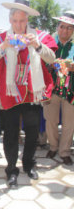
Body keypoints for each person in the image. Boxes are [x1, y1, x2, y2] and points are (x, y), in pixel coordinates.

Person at [0, 0, 57, 188]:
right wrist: (4, 46)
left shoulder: (39, 36)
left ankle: (29, 164)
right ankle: (11, 169)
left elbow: (51, 59)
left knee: (32, 132)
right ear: (10, 20)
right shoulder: (1, 38)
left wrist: (38, 46)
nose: (18, 25)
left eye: (22, 20)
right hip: (10, 93)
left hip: (32, 93)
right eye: (15, 20)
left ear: (28, 20)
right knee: (10, 133)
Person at [43, 11, 74, 166]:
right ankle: (53, 146)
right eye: (62, 26)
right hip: (52, 88)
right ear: (57, 27)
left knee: (69, 123)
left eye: (69, 28)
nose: (65, 30)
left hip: (71, 90)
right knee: (51, 120)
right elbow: (41, 62)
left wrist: (70, 66)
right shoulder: (50, 44)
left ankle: (65, 151)